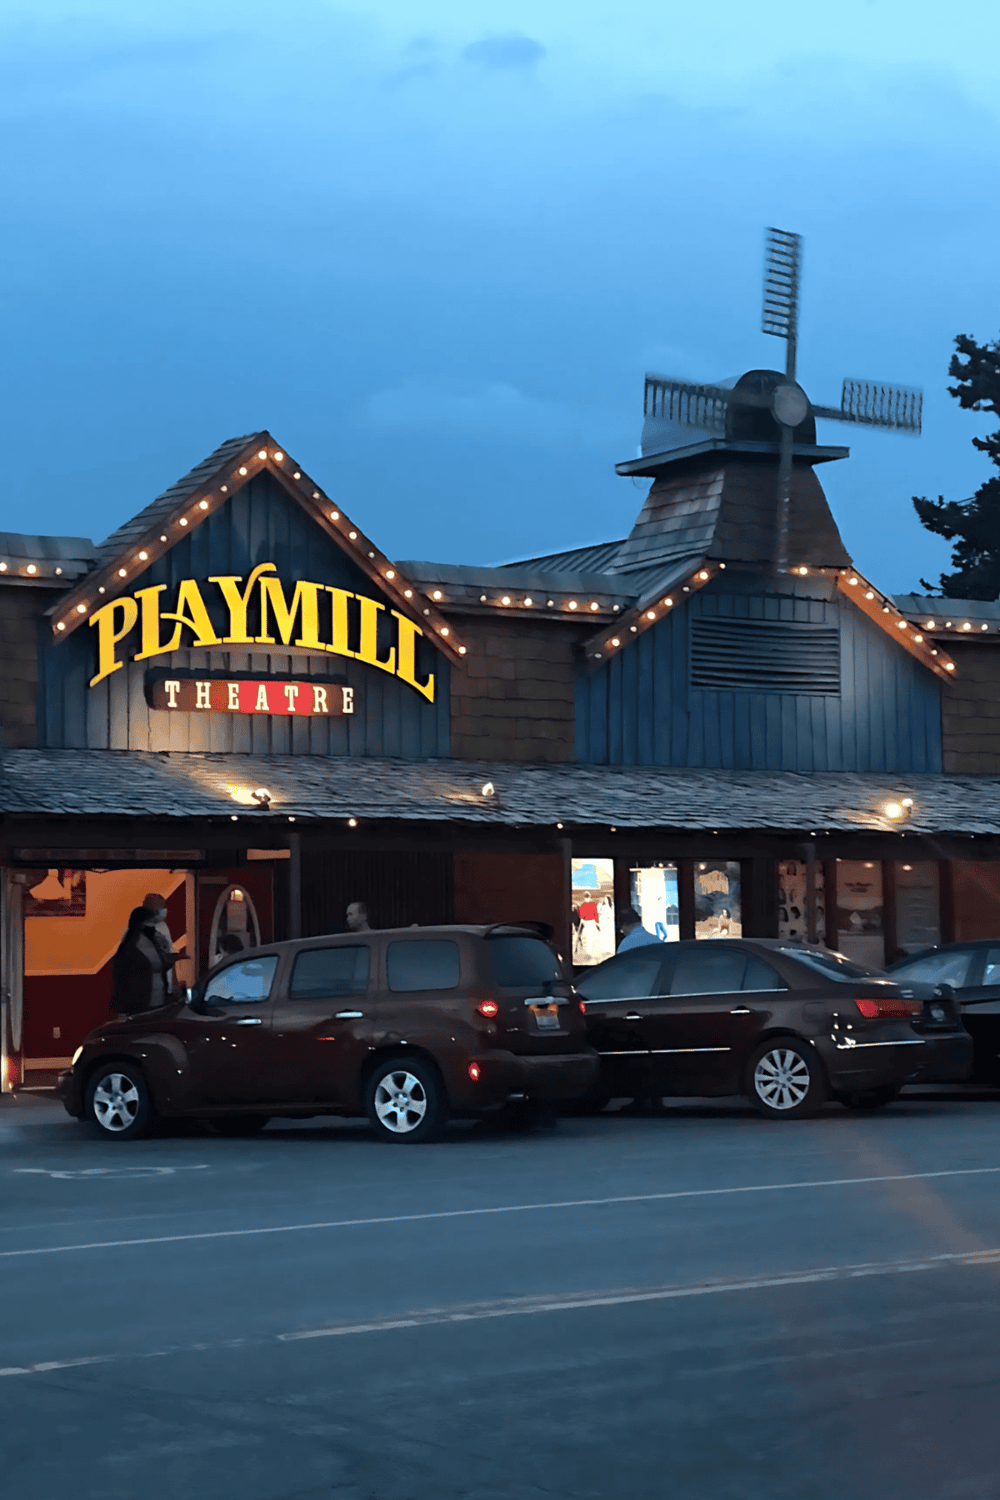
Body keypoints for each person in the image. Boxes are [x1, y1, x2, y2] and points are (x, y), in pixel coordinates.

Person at [110, 904, 179, 1017]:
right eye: (149, 922)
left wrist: (176, 957)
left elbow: (160, 963)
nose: (152, 926)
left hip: (159, 1001)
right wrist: (121, 1009)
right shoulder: (129, 947)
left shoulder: (153, 941)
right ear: (140, 923)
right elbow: (120, 979)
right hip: (138, 1004)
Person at [143, 891, 178, 995]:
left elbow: (169, 954)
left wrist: (174, 982)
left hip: (165, 989)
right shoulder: (136, 930)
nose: (163, 911)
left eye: (163, 907)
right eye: (158, 907)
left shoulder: (162, 927)